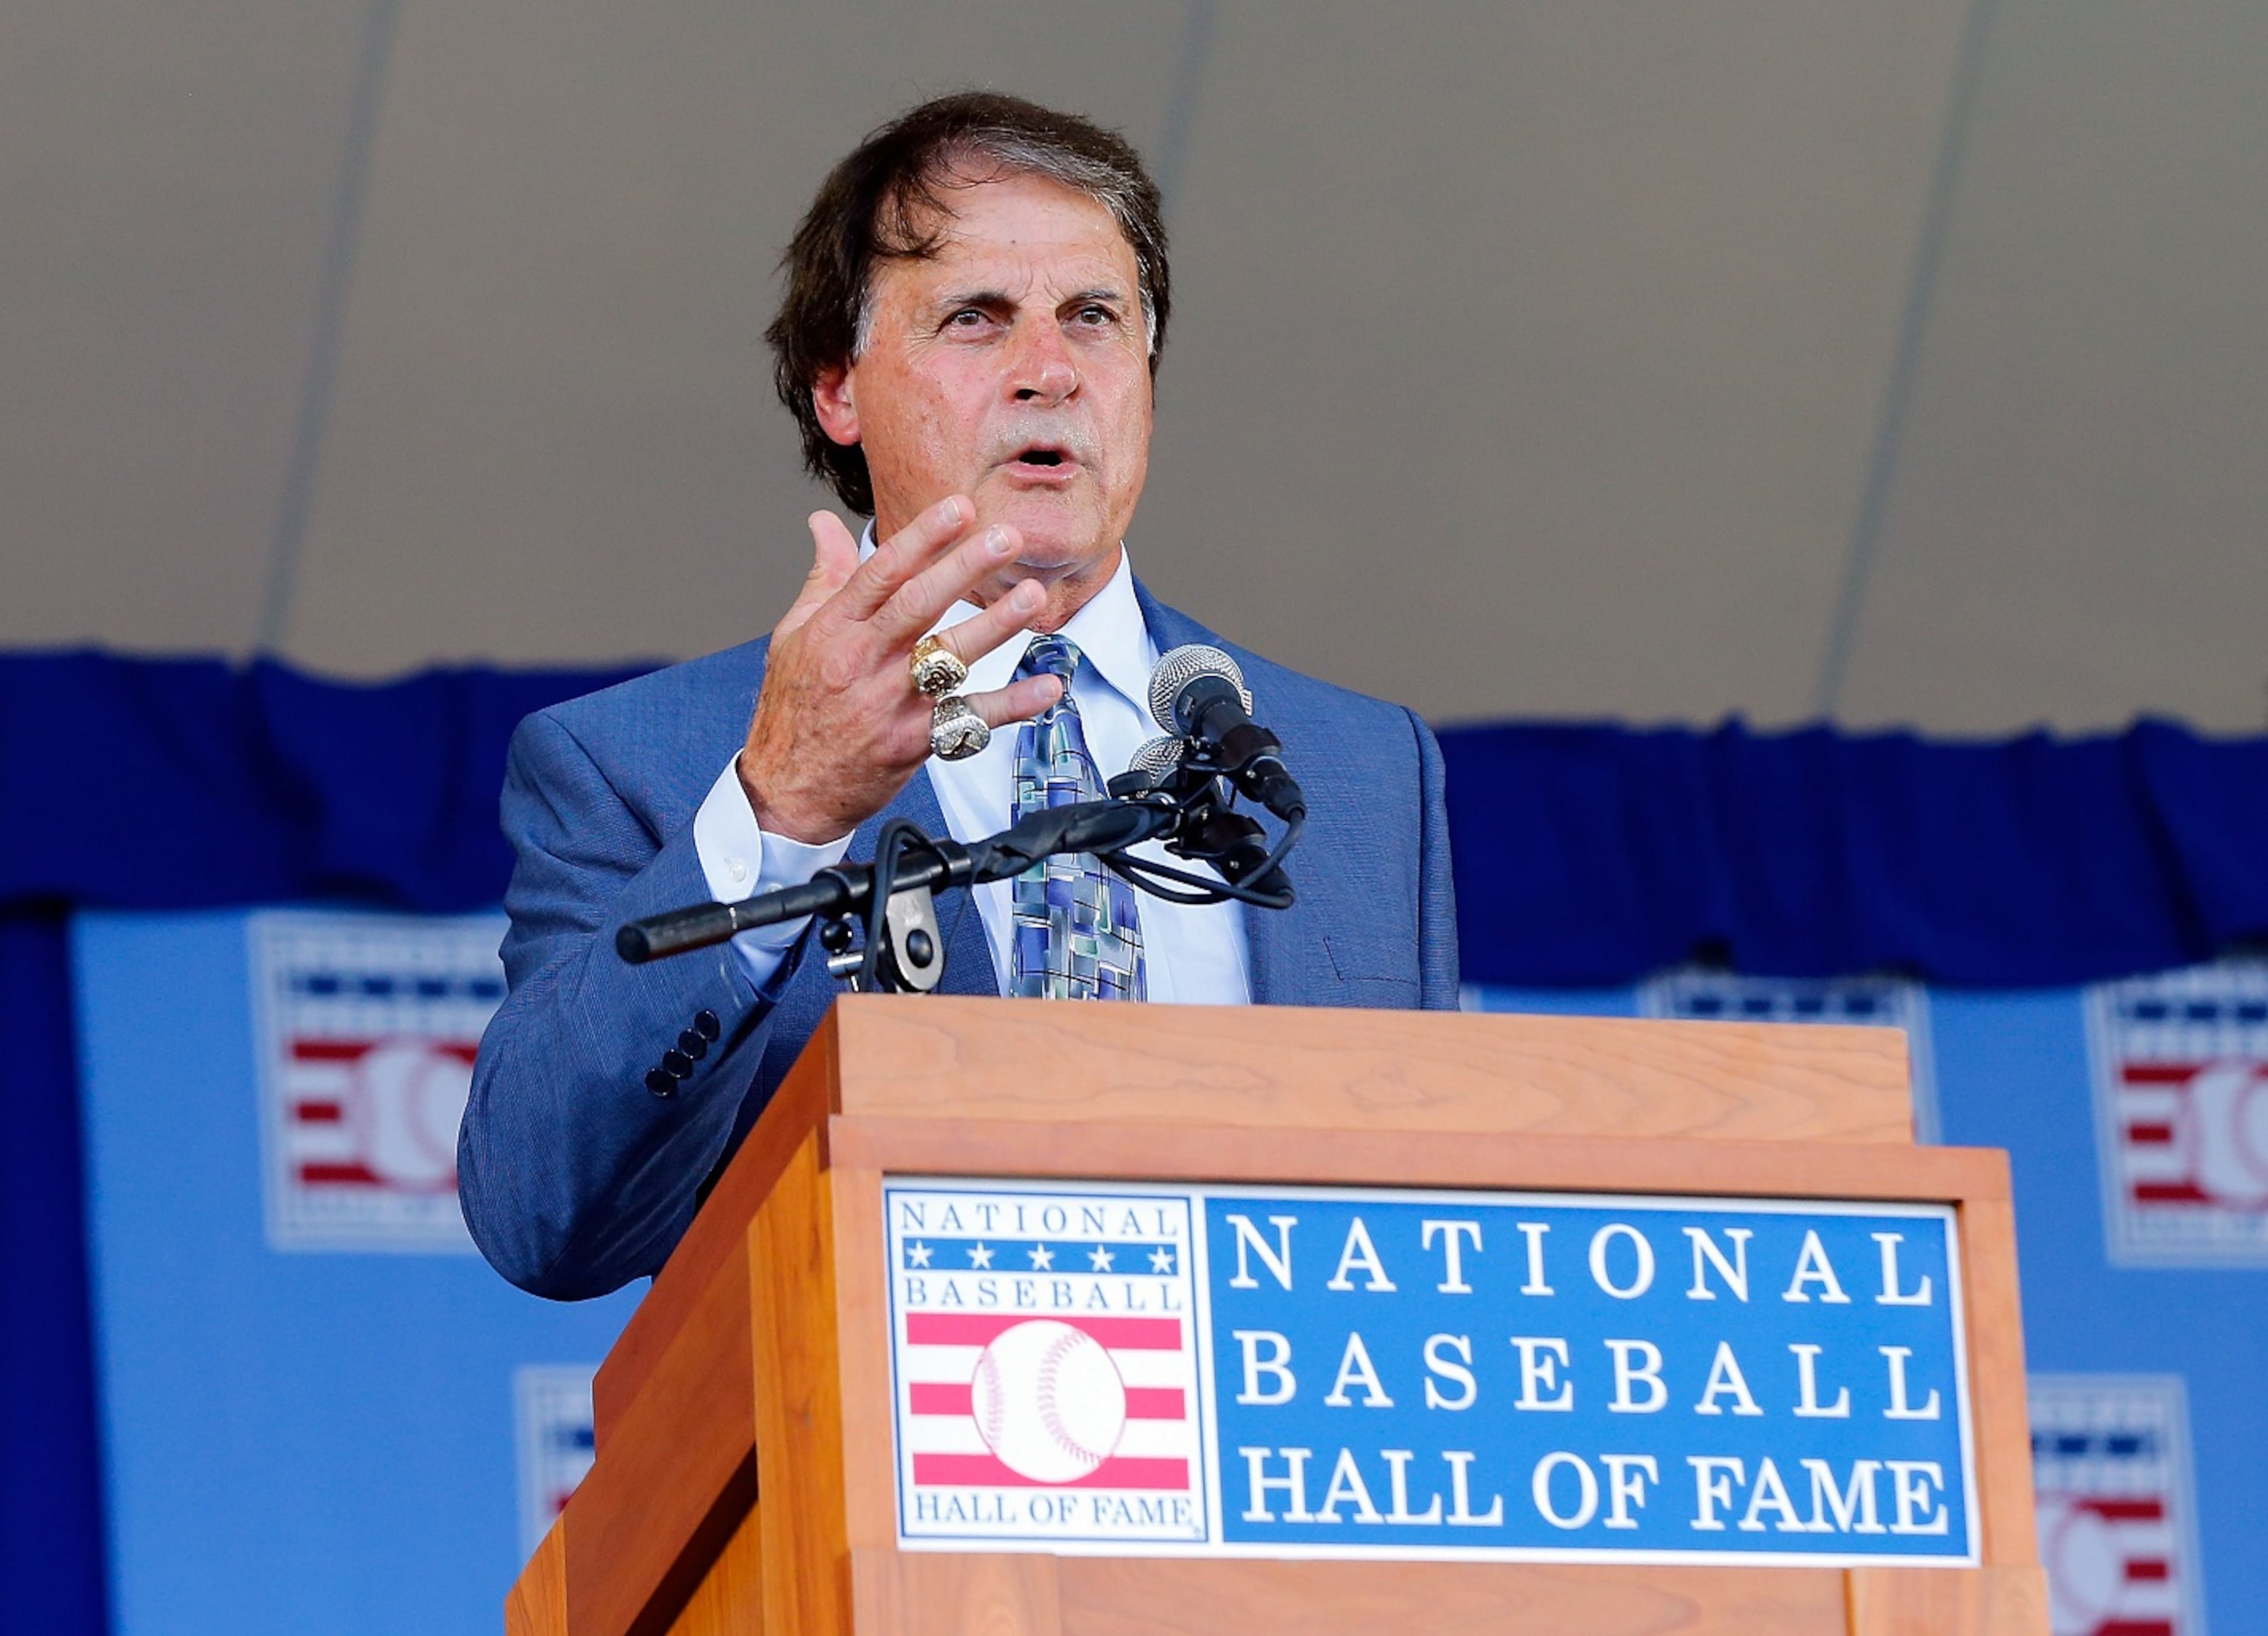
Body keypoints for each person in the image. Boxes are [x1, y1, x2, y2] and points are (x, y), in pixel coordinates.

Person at [459, 92, 1456, 1300]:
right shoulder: (638, 764)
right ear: (839, 387)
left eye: (1095, 316)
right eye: (977, 320)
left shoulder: (1363, 771)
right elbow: (543, 1216)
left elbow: (1432, 1218)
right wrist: (781, 809)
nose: (1050, 371)